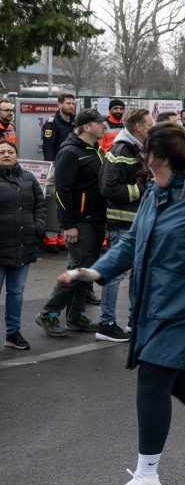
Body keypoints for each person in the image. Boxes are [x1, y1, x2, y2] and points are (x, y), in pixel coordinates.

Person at [63, 122, 185, 485]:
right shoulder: (156, 190)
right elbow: (133, 239)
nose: (143, 162)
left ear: (160, 158)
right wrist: (96, 271)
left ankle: (147, 477)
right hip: (153, 303)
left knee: (152, 378)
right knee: (178, 381)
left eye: (146, 155)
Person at [35, 108, 107, 336]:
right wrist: (68, 225)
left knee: (88, 270)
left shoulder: (96, 150)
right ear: (87, 127)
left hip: (96, 219)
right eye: (100, 123)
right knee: (78, 269)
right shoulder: (69, 152)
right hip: (80, 222)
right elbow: (62, 192)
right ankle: (48, 313)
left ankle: (76, 316)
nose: (104, 126)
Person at [96, 107, 155, 343]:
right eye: (149, 124)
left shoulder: (138, 148)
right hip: (122, 222)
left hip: (138, 221)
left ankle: (133, 321)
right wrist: (143, 187)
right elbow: (108, 189)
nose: (152, 128)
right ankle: (107, 324)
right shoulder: (120, 150)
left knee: (137, 273)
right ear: (138, 127)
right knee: (115, 274)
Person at [1, 138, 45, 351]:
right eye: (1, 152)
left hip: (22, 245)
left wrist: (38, 227)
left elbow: (40, 204)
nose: (6, 155)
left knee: (16, 292)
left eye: (10, 152)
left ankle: (13, 333)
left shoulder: (28, 178)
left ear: (16, 155)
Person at [41, 92, 76, 251]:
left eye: (72, 103)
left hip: (72, 168)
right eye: (68, 103)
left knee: (68, 201)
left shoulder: (75, 122)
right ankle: (50, 240)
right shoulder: (52, 123)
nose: (71, 106)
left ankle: (62, 238)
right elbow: (48, 147)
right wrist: (52, 167)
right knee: (53, 202)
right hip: (56, 167)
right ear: (59, 105)